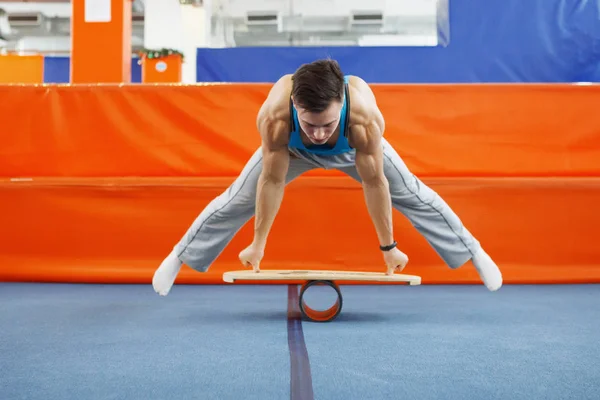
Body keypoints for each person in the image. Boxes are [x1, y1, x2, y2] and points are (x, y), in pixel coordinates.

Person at [152, 59, 502, 296]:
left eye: (327, 125)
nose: (319, 135)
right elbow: (271, 182)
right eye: (309, 125)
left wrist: (389, 248)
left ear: (341, 105)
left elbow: (375, 183)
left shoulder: (364, 118)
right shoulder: (275, 117)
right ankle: (179, 257)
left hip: (353, 149)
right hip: (291, 152)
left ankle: (475, 252)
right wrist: (258, 244)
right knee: (238, 197)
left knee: (412, 192)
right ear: (294, 107)